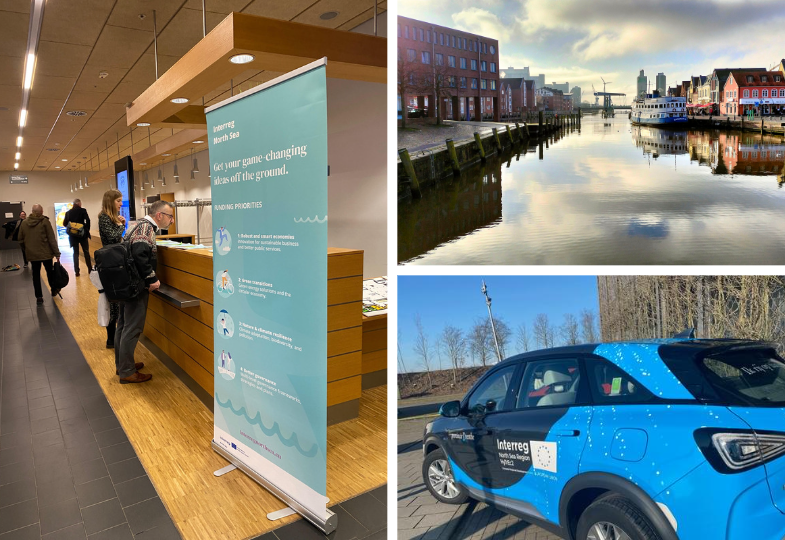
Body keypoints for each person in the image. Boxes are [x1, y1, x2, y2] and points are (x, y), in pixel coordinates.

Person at [115, 200, 174, 384]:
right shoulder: (146, 229)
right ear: (159, 215)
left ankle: (123, 364)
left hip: (125, 284)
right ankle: (126, 371)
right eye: (170, 216)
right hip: (136, 286)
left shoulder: (137, 225)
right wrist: (152, 278)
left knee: (124, 325)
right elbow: (140, 253)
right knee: (132, 327)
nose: (171, 221)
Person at [98, 189, 126, 349]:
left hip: (115, 262)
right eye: (118, 201)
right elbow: (114, 238)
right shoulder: (104, 218)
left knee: (115, 303)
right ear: (111, 201)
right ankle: (111, 339)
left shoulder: (110, 218)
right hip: (110, 264)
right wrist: (122, 226)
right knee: (113, 303)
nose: (121, 204)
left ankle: (113, 339)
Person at [17, 205, 60, 305]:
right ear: (41, 211)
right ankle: (53, 290)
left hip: (32, 254)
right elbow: (51, 239)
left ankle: (39, 297)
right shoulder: (45, 222)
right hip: (46, 254)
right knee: (50, 272)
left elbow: (20, 239)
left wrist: (27, 249)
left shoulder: (24, 223)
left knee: (35, 275)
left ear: (32, 211)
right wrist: (56, 253)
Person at [62, 198, 92, 277]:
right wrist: (86, 230)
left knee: (75, 253)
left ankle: (77, 271)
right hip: (82, 235)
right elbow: (88, 220)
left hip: (73, 236)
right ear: (79, 203)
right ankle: (89, 269)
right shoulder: (83, 210)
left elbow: (64, 224)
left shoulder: (68, 213)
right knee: (86, 252)